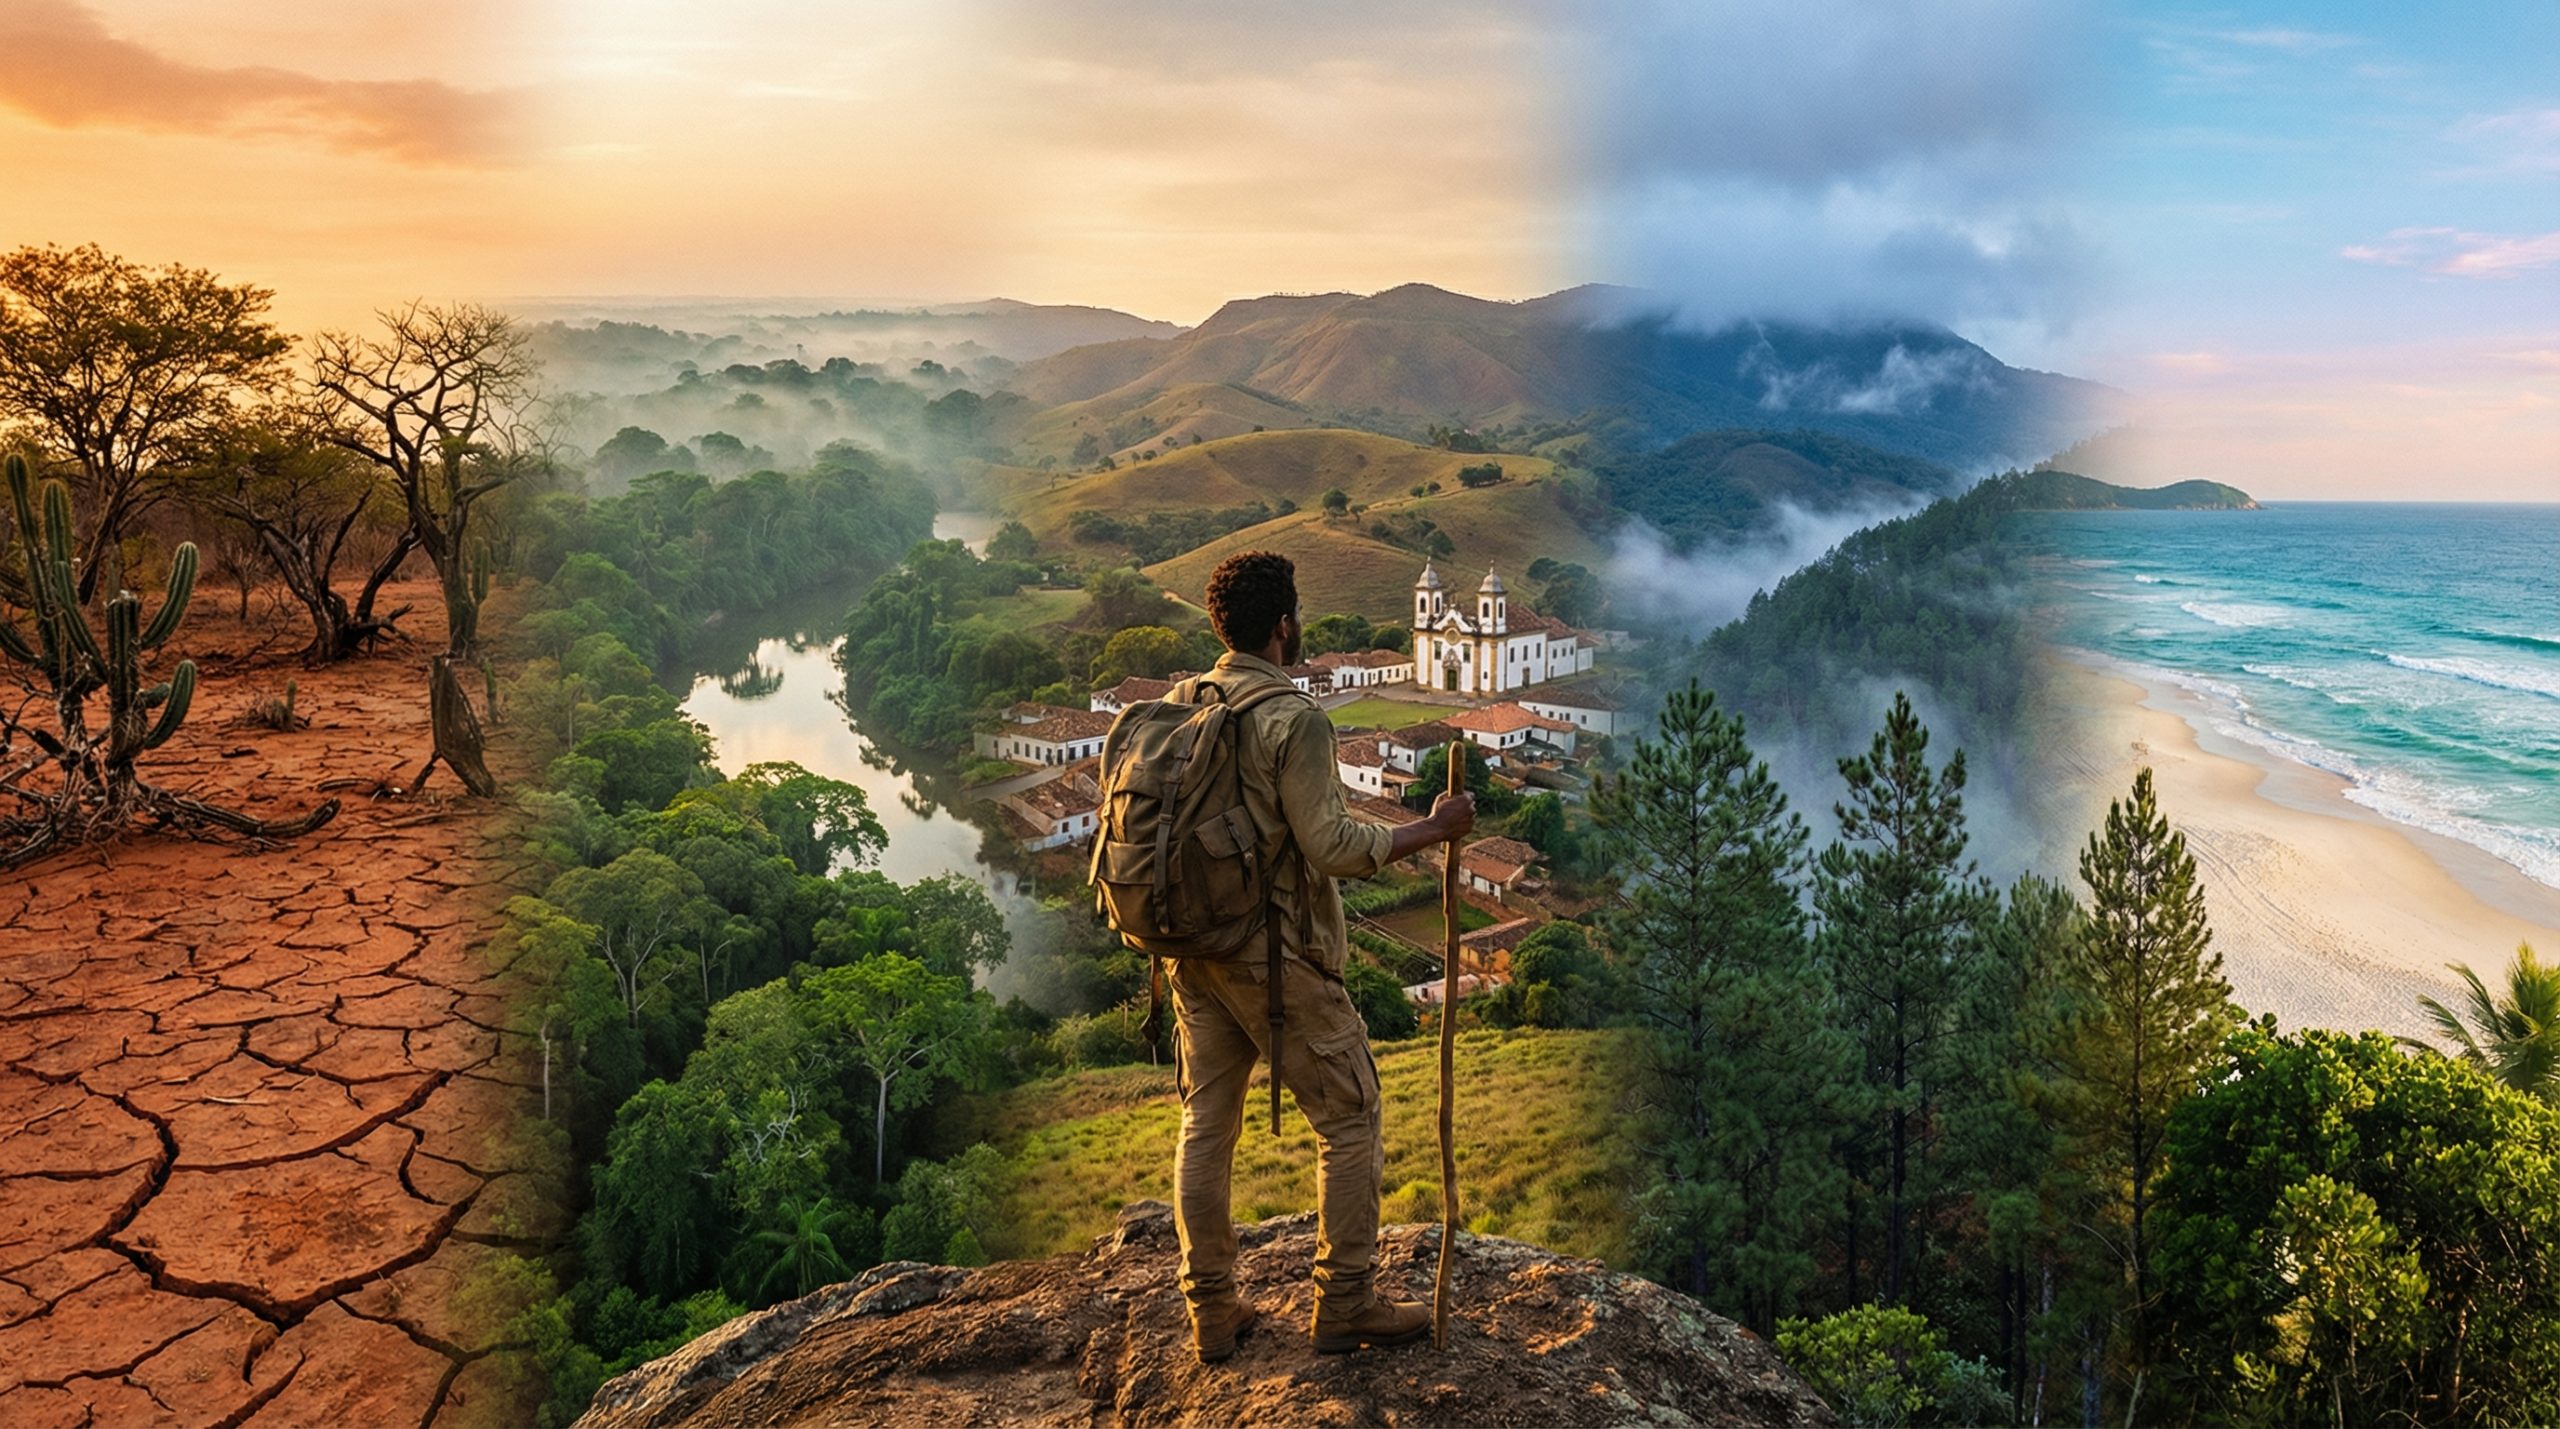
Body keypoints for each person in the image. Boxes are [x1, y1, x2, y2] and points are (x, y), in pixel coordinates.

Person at [1166, 550, 1475, 1364]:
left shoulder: (1179, 702)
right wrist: (1432, 831)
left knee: (1205, 1122)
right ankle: (1345, 1303)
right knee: (1350, 1116)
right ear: (1284, 625)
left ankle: (1213, 1310)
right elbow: (1334, 845)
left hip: (1192, 953)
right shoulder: (1292, 717)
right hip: (1273, 956)